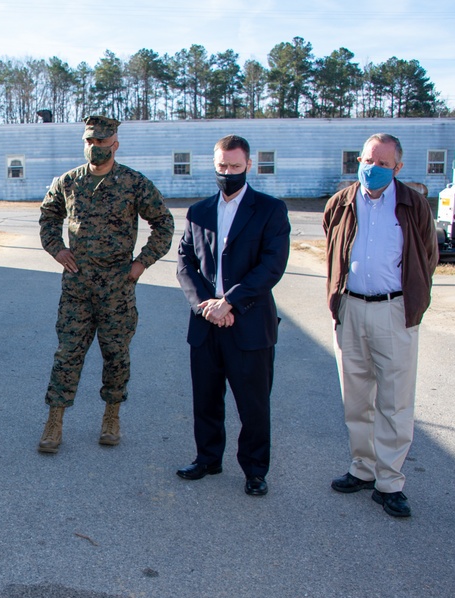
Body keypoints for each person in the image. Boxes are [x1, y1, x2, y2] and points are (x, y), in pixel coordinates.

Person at [37, 115, 174, 453]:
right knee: (67, 354)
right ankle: (55, 421)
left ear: (115, 143)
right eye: (89, 142)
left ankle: (111, 416)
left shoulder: (133, 183)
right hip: (77, 289)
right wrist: (57, 249)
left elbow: (164, 223)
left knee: (116, 355)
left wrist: (141, 263)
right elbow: (48, 216)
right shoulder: (68, 182)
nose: (94, 148)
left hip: (117, 290)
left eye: (101, 142)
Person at [323, 133, 438, 518]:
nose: (372, 169)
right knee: (356, 397)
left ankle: (389, 481)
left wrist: (415, 300)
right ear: (360, 160)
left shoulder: (413, 205)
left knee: (394, 399)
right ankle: (362, 468)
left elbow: (428, 255)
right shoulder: (341, 202)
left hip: (394, 310)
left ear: (397, 168)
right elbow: (332, 245)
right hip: (351, 308)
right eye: (368, 160)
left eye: (383, 164)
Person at [174, 135, 291, 496]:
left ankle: (255, 470)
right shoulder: (199, 212)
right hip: (206, 324)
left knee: (253, 404)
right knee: (205, 399)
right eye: (222, 167)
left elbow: (271, 266)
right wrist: (206, 304)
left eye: (235, 167)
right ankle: (207, 458)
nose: (228, 173)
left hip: (249, 323)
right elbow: (184, 263)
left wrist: (231, 302)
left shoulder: (271, 210)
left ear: (249, 166)